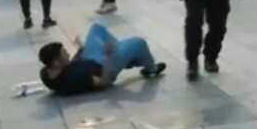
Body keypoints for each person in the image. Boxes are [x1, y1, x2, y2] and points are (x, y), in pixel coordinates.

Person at [38, 23, 166, 96]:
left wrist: (80, 50)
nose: (67, 53)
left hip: (87, 59)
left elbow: (68, 66)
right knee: (139, 42)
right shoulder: (75, 78)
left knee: (96, 28)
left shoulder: (46, 73)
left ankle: (125, 56)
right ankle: (151, 69)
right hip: (104, 68)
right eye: (64, 53)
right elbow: (104, 83)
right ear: (56, 62)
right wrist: (109, 56)